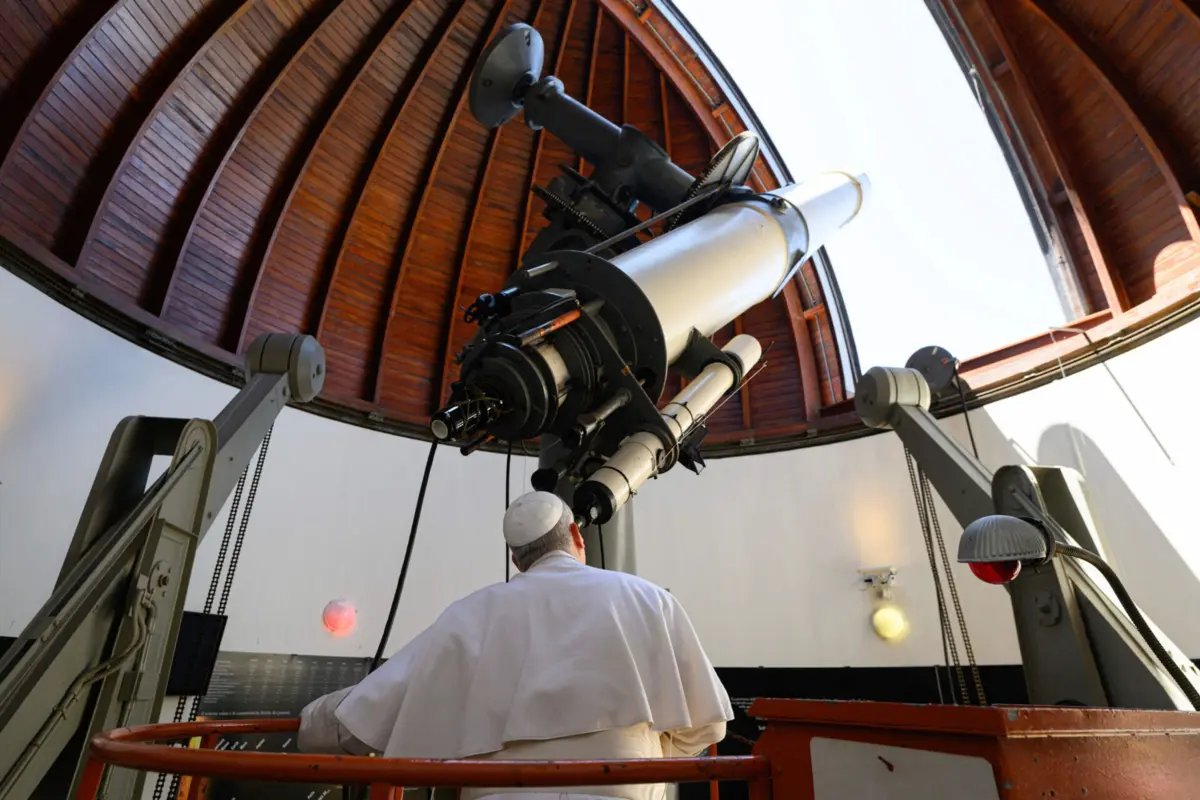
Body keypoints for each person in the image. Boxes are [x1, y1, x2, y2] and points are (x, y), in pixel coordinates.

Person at [298, 490, 732, 799]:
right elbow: (708, 726)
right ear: (577, 535)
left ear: (515, 558)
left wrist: (308, 721)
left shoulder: (470, 613)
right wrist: (647, 756)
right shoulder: (651, 599)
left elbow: (362, 719)